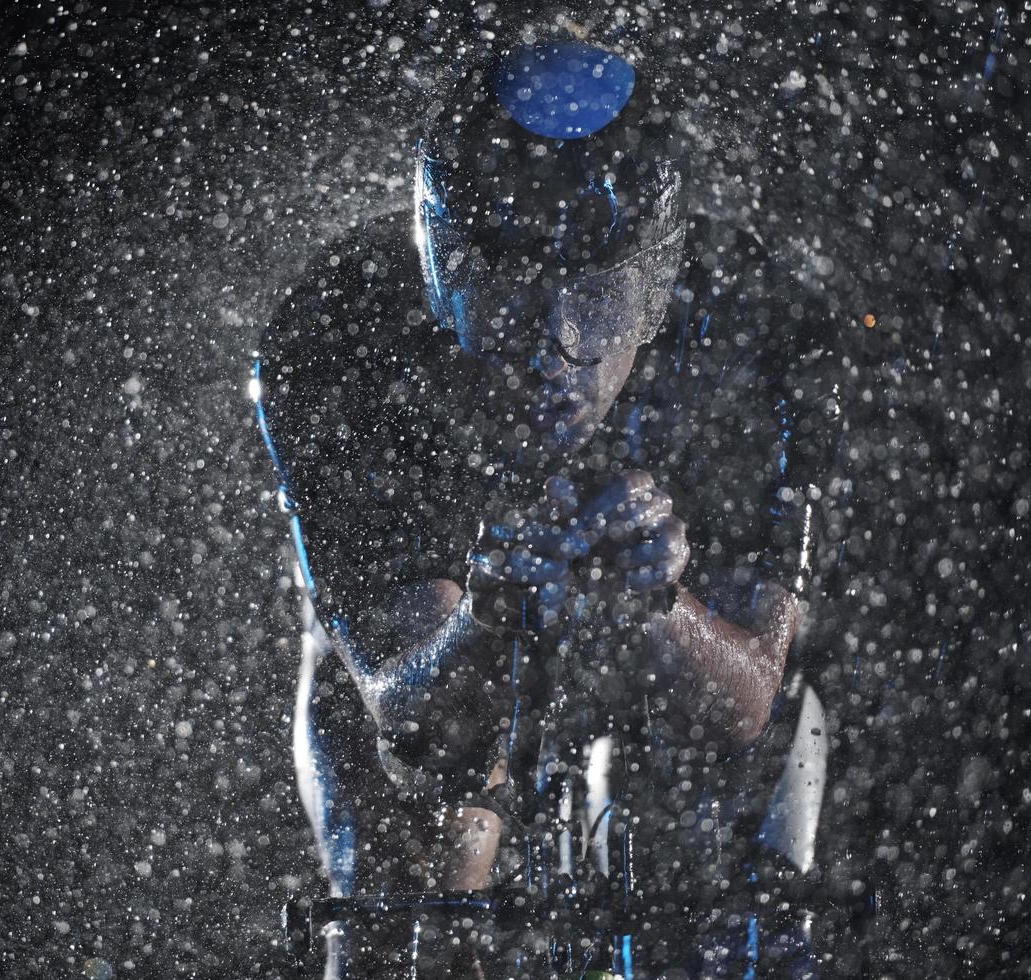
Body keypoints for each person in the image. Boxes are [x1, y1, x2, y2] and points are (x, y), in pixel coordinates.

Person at [255, 22, 843, 979]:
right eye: (511, 299)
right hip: (423, 667)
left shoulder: (761, 327)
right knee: (432, 860)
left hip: (633, 661)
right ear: (442, 277)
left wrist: (659, 604)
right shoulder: (343, 340)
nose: (555, 357)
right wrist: (488, 614)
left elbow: (744, 704)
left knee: (716, 869)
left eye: (599, 304)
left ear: (656, 288)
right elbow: (417, 729)